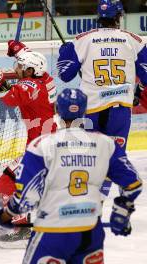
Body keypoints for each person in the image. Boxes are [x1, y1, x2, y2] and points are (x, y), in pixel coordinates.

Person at [0, 88, 143, 263]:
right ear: (85, 110)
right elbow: (133, 184)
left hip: (53, 233)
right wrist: (122, 210)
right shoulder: (106, 143)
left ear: (57, 110)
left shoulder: (41, 146)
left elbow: (25, 200)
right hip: (90, 234)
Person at [57, 0, 147, 196]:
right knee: (115, 157)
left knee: (90, 158)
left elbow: (64, 74)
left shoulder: (81, 40)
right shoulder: (135, 40)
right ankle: (115, 200)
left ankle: (87, 201)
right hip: (119, 110)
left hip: (90, 110)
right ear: (119, 17)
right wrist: (137, 91)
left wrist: (64, 54)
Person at [0, 40, 57, 244]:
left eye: (20, 67)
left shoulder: (32, 86)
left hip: (42, 149)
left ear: (30, 70)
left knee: (6, 182)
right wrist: (18, 49)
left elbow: (11, 98)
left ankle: (20, 229)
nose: (16, 69)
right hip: (48, 144)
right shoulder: (44, 77)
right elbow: (32, 59)